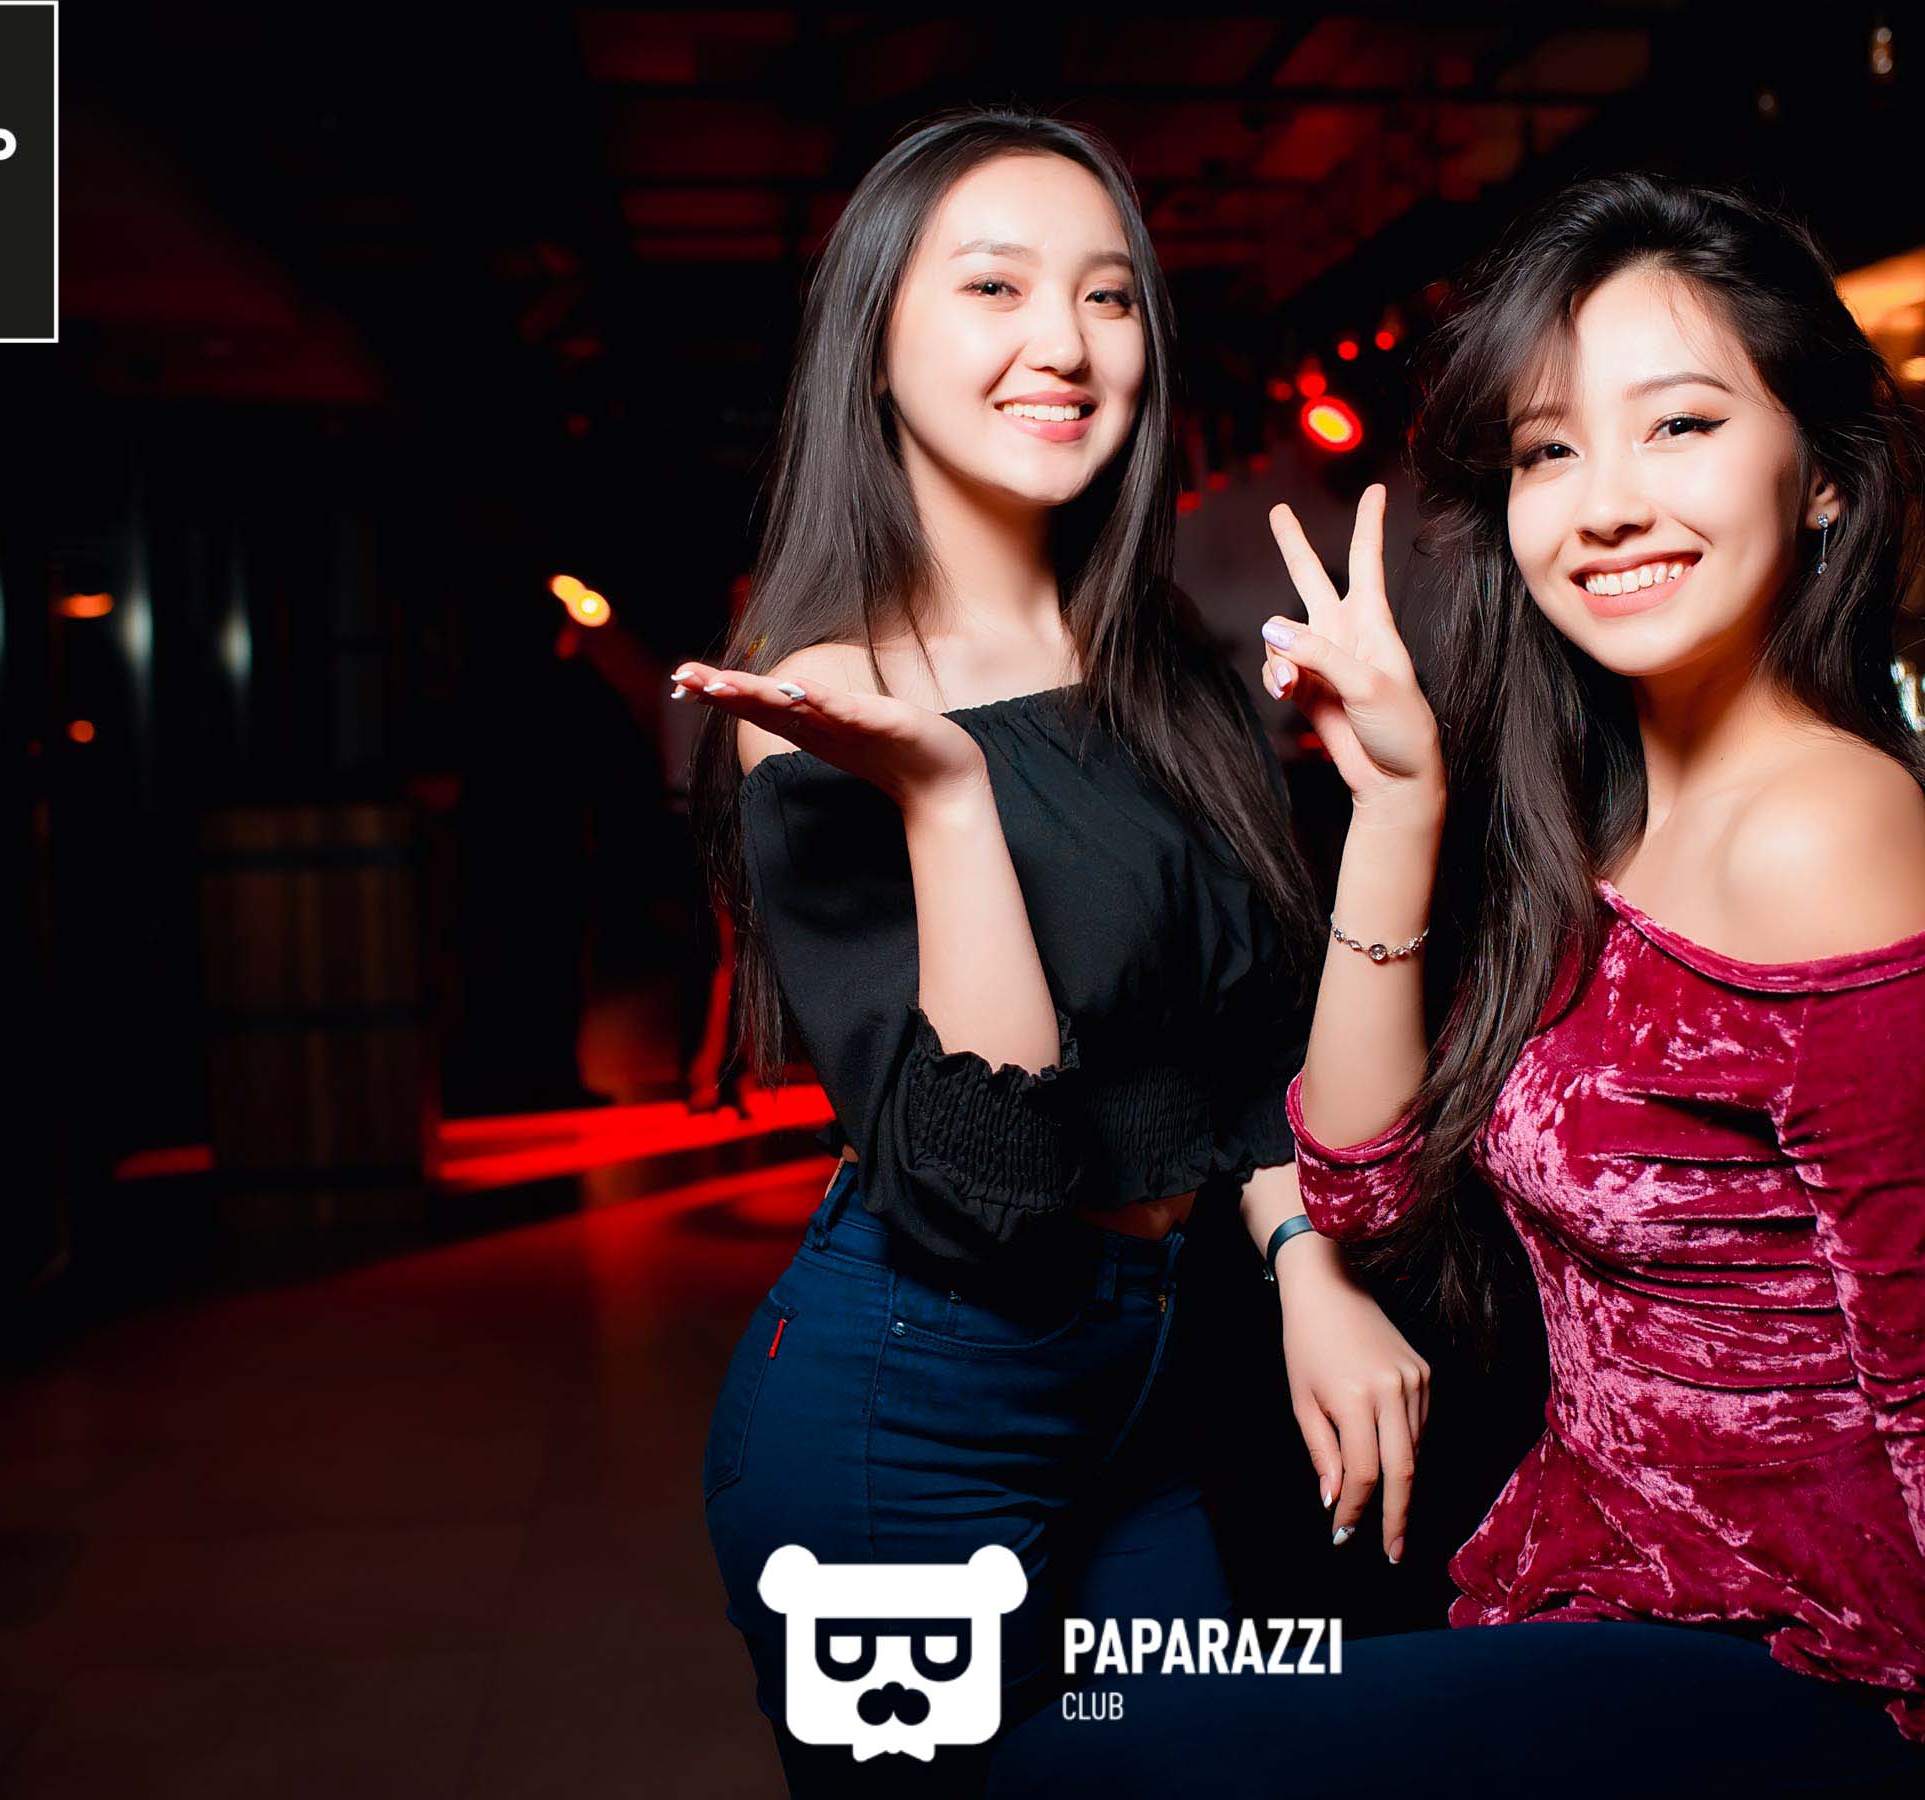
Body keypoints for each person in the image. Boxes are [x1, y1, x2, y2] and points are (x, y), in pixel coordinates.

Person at [994, 173, 1925, 1798]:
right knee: (1084, 1710)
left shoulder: (1824, 828)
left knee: (1083, 1760)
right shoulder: (1596, 823)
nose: (1603, 504)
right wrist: (1395, 810)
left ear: (1820, 474)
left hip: (1799, 1646)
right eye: (1548, 450)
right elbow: (1361, 1183)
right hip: (1588, 1587)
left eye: (1678, 425)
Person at [677, 108, 1433, 1796]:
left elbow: (1246, 1058)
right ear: (875, 344)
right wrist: (946, 797)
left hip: (1154, 1392)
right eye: (993, 287)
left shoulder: (1164, 663)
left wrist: (1305, 1264)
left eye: (1105, 295)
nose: (1064, 345)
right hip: (908, 1421)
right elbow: (983, 1188)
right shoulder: (819, 694)